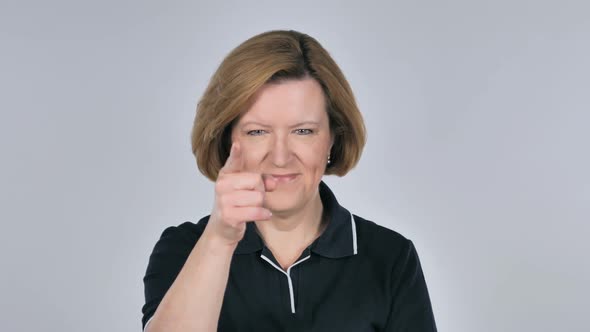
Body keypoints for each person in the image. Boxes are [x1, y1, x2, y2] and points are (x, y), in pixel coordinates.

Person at [141, 29, 437, 332]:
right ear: (227, 139)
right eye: (257, 131)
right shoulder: (185, 248)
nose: (280, 157)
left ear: (334, 138)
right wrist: (220, 239)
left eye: (303, 131)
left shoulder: (390, 258)